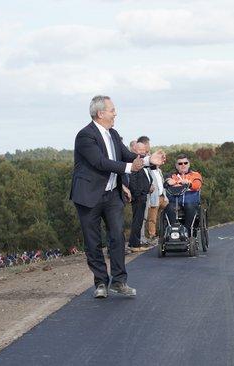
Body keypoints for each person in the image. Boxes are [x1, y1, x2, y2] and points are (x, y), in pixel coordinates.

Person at [70, 95, 166, 299]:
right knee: (93, 241)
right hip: (89, 196)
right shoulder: (85, 136)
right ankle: (101, 283)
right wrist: (131, 167)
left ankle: (119, 281)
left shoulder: (113, 134)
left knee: (117, 236)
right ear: (100, 113)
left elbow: (126, 155)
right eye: (112, 110)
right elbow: (100, 162)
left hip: (112, 195)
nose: (116, 113)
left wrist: (149, 160)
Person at [164, 154, 203, 235]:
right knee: (169, 207)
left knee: (189, 206)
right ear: (176, 166)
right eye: (180, 163)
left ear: (189, 164)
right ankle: (174, 231)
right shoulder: (171, 175)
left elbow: (197, 185)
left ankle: (187, 231)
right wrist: (168, 181)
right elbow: (166, 181)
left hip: (191, 201)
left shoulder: (195, 175)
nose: (183, 165)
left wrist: (189, 184)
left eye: (185, 163)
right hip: (175, 201)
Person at [128, 141, 153, 253]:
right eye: (140, 150)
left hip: (143, 195)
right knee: (137, 221)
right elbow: (132, 181)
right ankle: (134, 244)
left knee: (139, 221)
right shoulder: (134, 163)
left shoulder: (143, 162)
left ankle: (136, 243)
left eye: (144, 150)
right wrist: (137, 194)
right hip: (138, 197)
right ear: (134, 150)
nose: (143, 152)